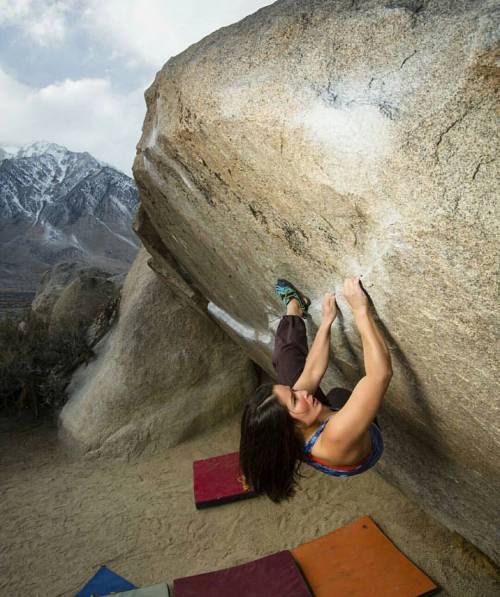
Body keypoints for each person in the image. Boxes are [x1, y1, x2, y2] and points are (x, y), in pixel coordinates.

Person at [239, 277, 392, 503]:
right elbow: (380, 375)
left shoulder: (284, 430)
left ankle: (295, 306)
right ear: (289, 429)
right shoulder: (336, 437)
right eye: (293, 399)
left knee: (286, 361)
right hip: (356, 441)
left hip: (312, 423)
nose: (300, 392)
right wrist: (360, 310)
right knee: (339, 394)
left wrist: (326, 322)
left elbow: (311, 372)